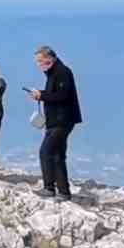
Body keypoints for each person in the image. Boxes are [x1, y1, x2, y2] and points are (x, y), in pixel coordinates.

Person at [27, 45, 83, 200]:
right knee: (58, 155)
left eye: (40, 60)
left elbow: (62, 96)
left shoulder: (62, 72)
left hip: (62, 120)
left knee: (46, 152)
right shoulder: (53, 73)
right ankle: (63, 191)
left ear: (49, 58)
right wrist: (41, 93)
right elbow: (54, 94)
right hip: (55, 120)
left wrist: (41, 96)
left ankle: (49, 188)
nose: (39, 64)